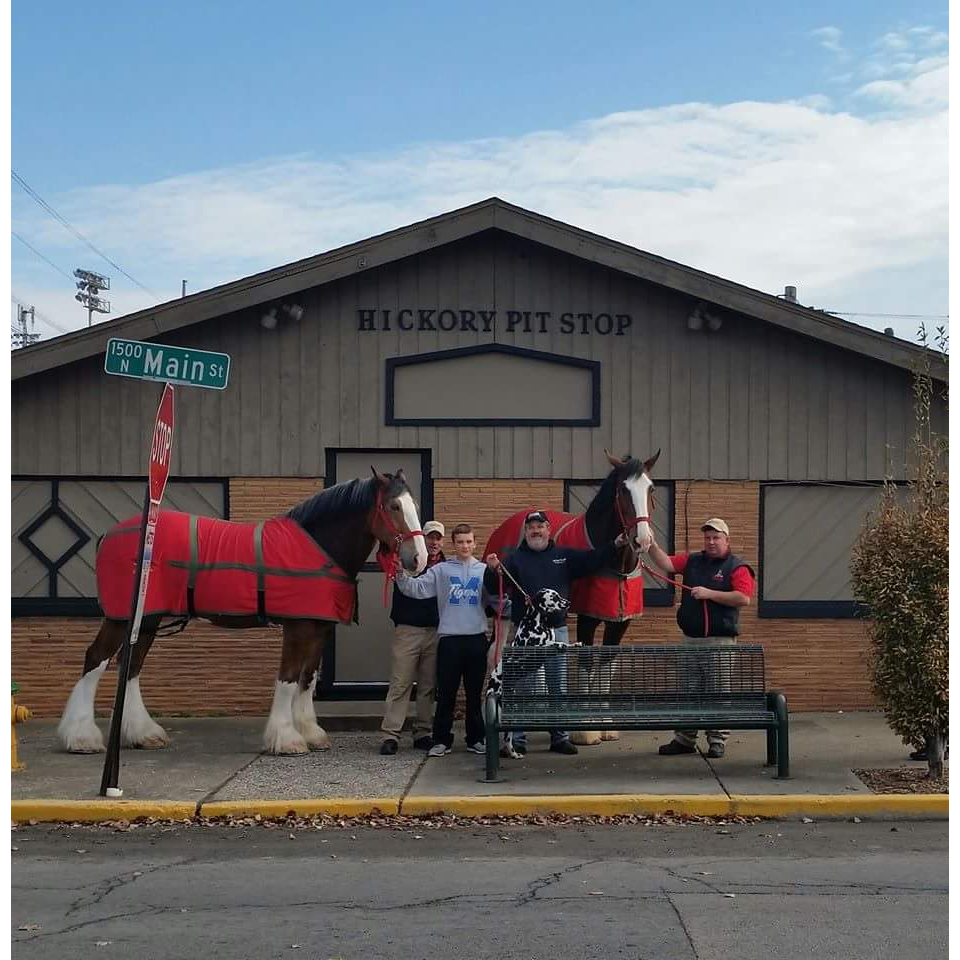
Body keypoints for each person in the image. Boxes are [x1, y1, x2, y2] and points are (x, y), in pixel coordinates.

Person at [484, 510, 622, 756]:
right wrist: (492, 569)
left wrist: (616, 545)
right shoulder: (514, 559)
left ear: (548, 529)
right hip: (526, 634)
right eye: (531, 527)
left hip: (557, 631)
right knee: (525, 687)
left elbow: (592, 560)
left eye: (540, 526)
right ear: (526, 532)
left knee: (557, 685)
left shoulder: (563, 556)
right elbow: (495, 587)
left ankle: (559, 737)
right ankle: (518, 739)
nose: (536, 531)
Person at [646, 518, 755, 759]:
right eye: (707, 537)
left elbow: (743, 598)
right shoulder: (693, 560)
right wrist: (650, 542)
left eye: (716, 537)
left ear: (727, 540)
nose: (711, 542)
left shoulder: (737, 566)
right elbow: (665, 563)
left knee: (718, 693)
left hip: (720, 642)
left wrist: (709, 594)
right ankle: (684, 739)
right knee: (687, 692)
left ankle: (717, 740)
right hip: (690, 640)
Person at [395, 523, 501, 758]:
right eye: (460, 542)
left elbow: (497, 599)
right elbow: (417, 588)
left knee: (474, 694)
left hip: (476, 639)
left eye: (468, 542)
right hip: (449, 640)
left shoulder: (484, 571)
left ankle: (476, 739)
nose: (465, 546)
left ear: (475, 543)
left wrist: (497, 574)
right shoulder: (441, 570)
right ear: (453, 544)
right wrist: (400, 574)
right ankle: (442, 740)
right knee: (446, 694)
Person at [379, 520, 446, 755]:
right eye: (430, 537)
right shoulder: (406, 562)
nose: (434, 542)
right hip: (408, 630)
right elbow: (385, 558)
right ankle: (390, 734)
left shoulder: (447, 567)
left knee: (428, 686)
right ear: (422, 539)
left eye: (438, 538)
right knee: (400, 683)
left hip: (435, 631)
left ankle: (422, 733)